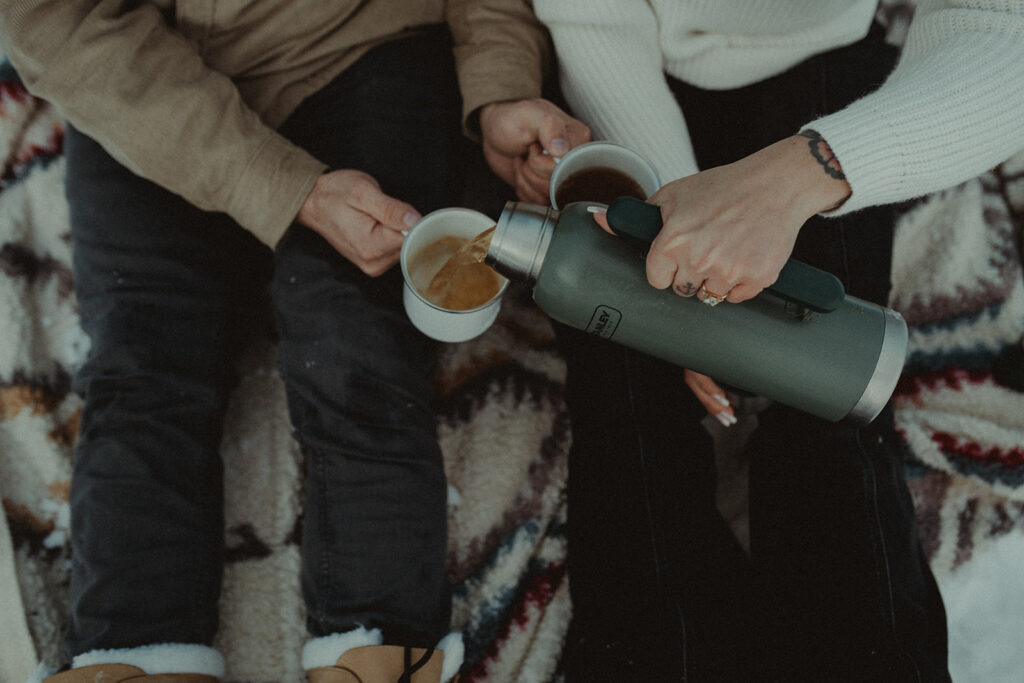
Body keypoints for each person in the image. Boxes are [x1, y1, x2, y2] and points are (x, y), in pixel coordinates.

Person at [0, 1, 588, 681]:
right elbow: (52, 21)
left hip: (359, 45)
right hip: (135, 73)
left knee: (356, 343)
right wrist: (286, 189)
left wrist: (501, 85)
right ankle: (135, 657)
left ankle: (377, 647)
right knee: (144, 361)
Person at [524, 0, 1024, 681]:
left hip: (819, 55)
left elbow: (1005, 33)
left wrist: (801, 177)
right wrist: (689, 272)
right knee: (629, 393)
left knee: (827, 386)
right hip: (625, 75)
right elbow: (595, 21)